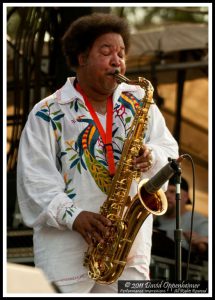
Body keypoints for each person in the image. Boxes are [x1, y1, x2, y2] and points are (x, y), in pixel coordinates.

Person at [17, 13, 178, 293]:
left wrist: (150, 155)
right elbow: (34, 180)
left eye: (122, 53)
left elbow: (170, 150)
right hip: (65, 255)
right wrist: (74, 216)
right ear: (81, 58)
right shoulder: (47, 112)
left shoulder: (139, 100)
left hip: (128, 251)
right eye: (106, 52)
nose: (118, 61)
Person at [153, 176, 208, 260]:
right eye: (164, 192)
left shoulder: (198, 221)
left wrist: (201, 243)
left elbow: (205, 247)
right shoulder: (155, 218)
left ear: (185, 197)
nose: (167, 196)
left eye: (172, 191)